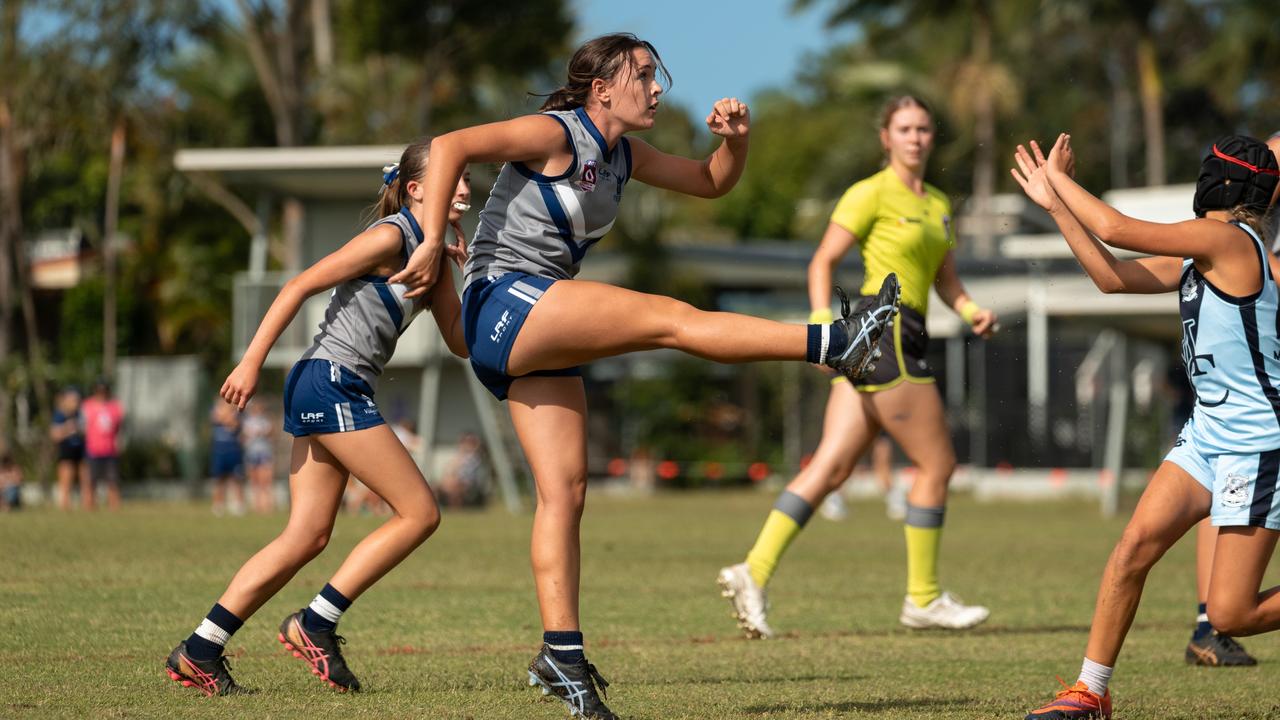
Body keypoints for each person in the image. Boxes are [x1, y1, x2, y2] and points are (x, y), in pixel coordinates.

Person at [387, 33, 900, 720]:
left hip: (533, 318)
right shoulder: (553, 132)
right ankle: (837, 341)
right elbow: (448, 145)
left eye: (656, 77)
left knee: (565, 492)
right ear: (602, 88)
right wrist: (426, 243)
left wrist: (738, 142)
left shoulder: (624, 154)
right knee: (671, 319)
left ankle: (561, 657)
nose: (657, 89)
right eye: (644, 76)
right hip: (505, 302)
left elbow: (711, 181)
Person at [164, 140, 472, 697]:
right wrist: (251, 361)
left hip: (328, 384)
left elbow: (460, 343)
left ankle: (201, 648)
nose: (467, 188)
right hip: (331, 381)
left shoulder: (430, 255)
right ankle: (316, 622)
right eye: (456, 176)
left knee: (307, 535)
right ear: (416, 189)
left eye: (467, 177)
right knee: (420, 512)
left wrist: (466, 275)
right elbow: (298, 284)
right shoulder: (390, 237)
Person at [1014, 133, 1280, 720]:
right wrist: (1057, 206)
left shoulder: (1228, 239)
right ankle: (1090, 692)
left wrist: (1060, 182)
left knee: (1232, 614)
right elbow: (1111, 277)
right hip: (1209, 435)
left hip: (1257, 444)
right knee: (1133, 549)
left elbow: (1114, 227)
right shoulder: (1200, 251)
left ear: (1224, 183)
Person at [717, 95, 996, 640]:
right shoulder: (869, 192)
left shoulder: (939, 203)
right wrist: (823, 327)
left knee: (830, 468)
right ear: (885, 137)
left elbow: (946, 279)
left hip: (905, 330)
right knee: (936, 467)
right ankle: (922, 598)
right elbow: (822, 260)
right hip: (882, 330)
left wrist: (970, 311)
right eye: (905, 128)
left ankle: (753, 571)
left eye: (924, 129)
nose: (915, 138)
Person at [80, 379, 124, 511]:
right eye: (99, 391)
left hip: (110, 449)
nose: (102, 394)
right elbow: (83, 427)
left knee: (112, 480)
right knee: (91, 480)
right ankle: (90, 505)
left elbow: (119, 428)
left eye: (104, 391)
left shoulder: (115, 406)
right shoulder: (87, 406)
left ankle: (114, 506)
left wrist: (119, 440)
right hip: (92, 449)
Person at [50, 387, 87, 511]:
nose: (75, 403)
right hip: (66, 451)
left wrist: (80, 430)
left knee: (85, 478)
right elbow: (54, 435)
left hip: (80, 450)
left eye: (77, 400)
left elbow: (85, 431)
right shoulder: (59, 415)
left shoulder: (79, 414)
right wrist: (67, 429)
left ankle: (87, 504)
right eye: (72, 400)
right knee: (66, 481)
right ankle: (65, 505)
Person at [209, 400, 246, 517]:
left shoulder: (237, 413)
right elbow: (215, 418)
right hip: (219, 451)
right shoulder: (214, 410)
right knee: (219, 479)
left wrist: (226, 417)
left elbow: (234, 424)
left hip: (233, 450)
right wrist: (226, 417)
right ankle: (218, 505)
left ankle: (238, 505)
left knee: (236, 478)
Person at [241, 401, 276, 514]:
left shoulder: (265, 421)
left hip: (264, 453)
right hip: (252, 453)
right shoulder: (247, 421)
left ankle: (267, 506)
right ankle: (257, 506)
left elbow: (271, 432)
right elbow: (243, 437)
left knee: (265, 481)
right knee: (254, 481)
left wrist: (263, 432)